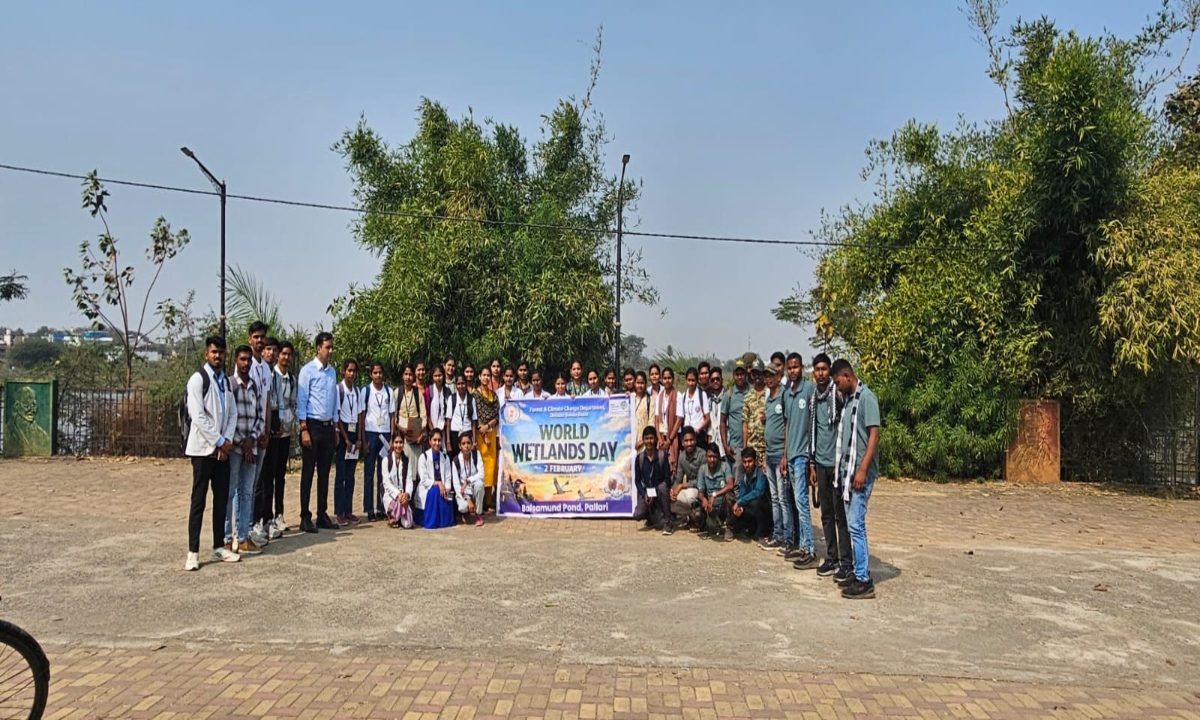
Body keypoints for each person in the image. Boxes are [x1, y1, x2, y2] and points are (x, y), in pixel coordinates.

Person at [184, 336, 240, 570]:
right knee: (198, 501)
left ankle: (219, 546)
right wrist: (218, 441)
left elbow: (232, 413)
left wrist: (226, 441)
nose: (218, 356)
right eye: (214, 352)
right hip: (202, 450)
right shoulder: (198, 380)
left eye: (221, 353)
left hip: (222, 450)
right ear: (207, 354)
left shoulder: (226, 382)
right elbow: (197, 416)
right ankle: (193, 552)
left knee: (221, 499)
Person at [832, 359, 881, 600]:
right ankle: (858, 572)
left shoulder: (867, 398)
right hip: (848, 474)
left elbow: (874, 435)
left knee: (856, 525)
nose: (837, 386)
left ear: (847, 375)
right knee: (853, 525)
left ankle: (864, 580)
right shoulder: (849, 400)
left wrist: (862, 469)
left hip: (861, 474)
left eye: (837, 381)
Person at [807, 353, 851, 581]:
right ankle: (831, 557)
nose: (821, 373)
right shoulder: (815, 399)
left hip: (836, 466)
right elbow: (812, 433)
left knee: (840, 516)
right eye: (817, 369)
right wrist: (812, 465)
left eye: (824, 369)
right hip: (820, 465)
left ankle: (846, 561)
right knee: (825, 514)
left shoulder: (838, 395)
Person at [297, 331, 339, 534]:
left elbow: (334, 400)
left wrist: (336, 427)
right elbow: (302, 401)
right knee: (308, 473)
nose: (330, 351)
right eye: (327, 347)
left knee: (324, 473)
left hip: (328, 426)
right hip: (312, 426)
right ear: (318, 348)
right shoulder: (307, 371)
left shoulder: (332, 372)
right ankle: (305, 516)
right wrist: (303, 428)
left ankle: (322, 513)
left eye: (332, 347)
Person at [226, 345, 265, 555]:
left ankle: (242, 537)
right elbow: (228, 417)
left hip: (252, 445)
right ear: (235, 360)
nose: (246, 363)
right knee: (231, 491)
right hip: (236, 447)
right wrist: (243, 442)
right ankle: (226, 537)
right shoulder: (231, 385)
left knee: (247, 492)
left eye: (249, 360)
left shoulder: (254, 386)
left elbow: (260, 417)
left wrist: (252, 440)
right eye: (242, 359)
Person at [782, 352, 818, 567]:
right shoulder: (787, 393)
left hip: (804, 455)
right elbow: (787, 425)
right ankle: (803, 545)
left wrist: (810, 458)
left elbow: (813, 423)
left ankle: (810, 549)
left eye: (796, 367)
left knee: (803, 503)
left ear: (802, 368)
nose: (793, 371)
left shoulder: (809, 390)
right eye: (790, 368)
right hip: (792, 453)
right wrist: (785, 453)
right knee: (797, 501)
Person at [247, 322, 274, 549]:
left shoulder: (266, 368)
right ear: (249, 339)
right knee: (245, 484)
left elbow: (266, 401)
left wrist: (266, 430)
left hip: (261, 434)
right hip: (247, 434)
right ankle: (244, 527)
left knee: (257, 481)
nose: (259, 340)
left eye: (262, 337)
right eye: (256, 337)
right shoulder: (245, 366)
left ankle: (253, 524)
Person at [254, 337, 284, 541]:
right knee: (259, 478)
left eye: (274, 350)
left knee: (272, 476)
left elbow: (279, 402)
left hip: (273, 422)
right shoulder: (258, 371)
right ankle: (255, 521)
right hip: (260, 424)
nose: (271, 353)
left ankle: (268, 518)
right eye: (268, 349)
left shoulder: (277, 376)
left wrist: (279, 422)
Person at [359, 361, 395, 522]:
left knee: (384, 473)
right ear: (370, 374)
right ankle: (369, 509)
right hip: (371, 433)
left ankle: (382, 506)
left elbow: (392, 415)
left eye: (380, 372)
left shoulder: (389, 392)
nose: (378, 375)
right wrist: (363, 439)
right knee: (369, 473)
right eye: (375, 373)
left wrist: (392, 437)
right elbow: (362, 415)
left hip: (385, 434)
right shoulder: (366, 391)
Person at [761, 360, 790, 553]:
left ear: (779, 376)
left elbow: (787, 426)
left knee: (782, 498)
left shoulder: (783, 397)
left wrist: (785, 455)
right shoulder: (768, 399)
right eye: (767, 376)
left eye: (772, 375)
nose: (769, 379)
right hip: (769, 453)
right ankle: (778, 535)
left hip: (780, 453)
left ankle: (788, 538)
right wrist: (764, 455)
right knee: (774, 497)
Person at [267, 341, 297, 533]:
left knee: (281, 475)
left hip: (285, 431)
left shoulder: (292, 379)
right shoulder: (271, 376)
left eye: (289, 354)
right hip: (273, 432)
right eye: (283, 353)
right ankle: (267, 516)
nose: (286, 357)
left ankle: (279, 513)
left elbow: (292, 403)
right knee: (268, 476)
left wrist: (290, 422)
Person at [333, 358, 362, 526]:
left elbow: (359, 416)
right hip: (343, 435)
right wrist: (344, 438)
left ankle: (349, 510)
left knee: (351, 476)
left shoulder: (357, 392)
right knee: (341, 476)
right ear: (344, 371)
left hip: (353, 435)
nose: (351, 374)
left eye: (354, 371)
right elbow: (337, 416)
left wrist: (358, 438)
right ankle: (339, 512)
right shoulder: (339, 390)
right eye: (349, 370)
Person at [395, 364, 428, 502]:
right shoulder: (397, 392)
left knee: (417, 469)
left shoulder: (417, 393)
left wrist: (421, 434)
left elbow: (424, 416)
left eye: (410, 375)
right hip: (402, 434)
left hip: (416, 430)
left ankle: (416, 501)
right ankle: (403, 499)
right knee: (404, 467)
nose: (408, 377)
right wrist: (399, 428)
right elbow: (393, 416)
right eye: (406, 374)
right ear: (402, 376)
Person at [634, 426, 674, 535]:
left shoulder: (662, 456)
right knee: (637, 514)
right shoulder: (640, 459)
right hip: (647, 492)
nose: (649, 441)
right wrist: (644, 494)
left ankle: (668, 521)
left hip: (659, 493)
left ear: (656, 439)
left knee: (662, 487)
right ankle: (651, 516)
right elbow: (637, 481)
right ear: (643, 440)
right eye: (646, 439)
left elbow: (667, 480)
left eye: (651, 438)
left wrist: (655, 492)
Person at [415, 429, 455, 529]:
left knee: (447, 494)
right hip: (428, 489)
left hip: (443, 488)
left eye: (439, 440)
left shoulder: (445, 457)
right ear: (429, 441)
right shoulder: (423, 457)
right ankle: (432, 521)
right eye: (434, 440)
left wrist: (447, 488)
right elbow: (424, 480)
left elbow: (448, 476)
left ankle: (443, 521)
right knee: (435, 491)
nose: (437, 443)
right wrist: (437, 483)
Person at [474, 367, 501, 512]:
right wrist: (483, 432)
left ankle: (489, 502)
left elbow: (497, 415)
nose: (486, 378)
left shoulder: (494, 396)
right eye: (483, 375)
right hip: (479, 435)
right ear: (479, 377)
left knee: (491, 468)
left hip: (491, 433)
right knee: (481, 466)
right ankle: (480, 501)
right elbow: (476, 415)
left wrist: (489, 427)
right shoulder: (475, 395)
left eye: (488, 375)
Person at [729, 448, 771, 539]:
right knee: (737, 506)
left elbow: (758, 492)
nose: (747, 465)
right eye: (744, 462)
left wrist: (740, 501)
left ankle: (763, 531)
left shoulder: (761, 474)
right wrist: (740, 507)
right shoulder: (743, 477)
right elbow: (742, 495)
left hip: (765, 509)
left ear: (755, 461)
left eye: (750, 461)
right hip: (752, 509)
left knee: (755, 502)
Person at [695, 444, 734, 540]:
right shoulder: (703, 469)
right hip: (710, 507)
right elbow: (700, 491)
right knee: (696, 509)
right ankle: (707, 526)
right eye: (710, 457)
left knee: (730, 496)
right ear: (706, 457)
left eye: (715, 457)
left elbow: (730, 485)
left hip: (723, 505)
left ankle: (729, 528)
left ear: (719, 457)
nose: (712, 460)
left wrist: (715, 495)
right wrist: (704, 499)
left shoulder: (724, 466)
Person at [722, 360, 751, 482]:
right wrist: (725, 445)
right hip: (736, 446)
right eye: (737, 374)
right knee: (739, 480)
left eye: (742, 374)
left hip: (753, 444)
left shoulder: (753, 392)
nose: (739, 377)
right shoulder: (729, 395)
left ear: (746, 374)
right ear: (733, 375)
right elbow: (722, 422)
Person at [669, 427, 704, 529]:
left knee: (689, 496)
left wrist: (682, 486)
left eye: (691, 440)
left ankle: (699, 515)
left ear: (695, 440)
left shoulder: (702, 455)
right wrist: (672, 491)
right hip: (689, 489)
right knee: (670, 502)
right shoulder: (682, 456)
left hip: (701, 490)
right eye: (686, 441)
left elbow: (701, 482)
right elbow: (678, 479)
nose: (689, 443)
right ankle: (692, 515)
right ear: (682, 442)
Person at [453, 434, 486, 526]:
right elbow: (456, 486)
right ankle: (465, 512)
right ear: (459, 446)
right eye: (463, 443)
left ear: (472, 444)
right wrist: (468, 499)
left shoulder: (476, 455)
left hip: (474, 487)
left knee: (480, 484)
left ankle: (479, 514)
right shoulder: (455, 461)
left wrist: (468, 481)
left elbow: (482, 474)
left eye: (468, 443)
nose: (466, 446)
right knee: (463, 507)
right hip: (463, 491)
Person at [381, 434, 413, 528]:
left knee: (408, 524)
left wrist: (406, 495)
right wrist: (398, 494)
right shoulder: (386, 460)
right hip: (391, 496)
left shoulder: (406, 460)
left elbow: (409, 480)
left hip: (403, 497)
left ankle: (398, 516)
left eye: (400, 442)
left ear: (403, 444)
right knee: (397, 504)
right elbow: (386, 483)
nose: (398, 445)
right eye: (396, 442)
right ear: (392, 444)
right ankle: (392, 516)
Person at [656, 367, 681, 472]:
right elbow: (657, 419)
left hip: (673, 437)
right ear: (661, 379)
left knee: (671, 470)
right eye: (665, 378)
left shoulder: (678, 396)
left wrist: (669, 440)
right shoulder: (659, 396)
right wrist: (660, 439)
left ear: (673, 379)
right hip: (662, 438)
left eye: (669, 378)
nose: (667, 380)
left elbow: (679, 419)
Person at [680, 368, 710, 449]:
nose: (691, 383)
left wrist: (699, 429)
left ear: (697, 380)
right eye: (689, 380)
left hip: (698, 435)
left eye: (693, 380)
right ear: (686, 380)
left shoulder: (702, 395)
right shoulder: (683, 396)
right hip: (686, 435)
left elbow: (707, 418)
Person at [448, 374, 477, 457]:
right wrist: (448, 442)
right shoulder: (452, 398)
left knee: (467, 456)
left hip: (467, 432)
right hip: (455, 433)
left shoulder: (471, 399)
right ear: (456, 385)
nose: (461, 386)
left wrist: (474, 441)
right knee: (456, 458)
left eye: (463, 383)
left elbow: (473, 422)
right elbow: (448, 421)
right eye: (459, 384)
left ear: (466, 384)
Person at [425, 364, 453, 444]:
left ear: (443, 376)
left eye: (440, 375)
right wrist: (433, 430)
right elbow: (427, 413)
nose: (438, 378)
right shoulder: (428, 391)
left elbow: (450, 413)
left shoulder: (447, 391)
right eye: (435, 376)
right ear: (432, 377)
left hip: (445, 429)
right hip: (431, 430)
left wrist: (444, 424)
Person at [707, 367, 727, 460]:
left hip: (726, 442)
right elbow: (710, 425)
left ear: (722, 380)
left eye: (717, 379)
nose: (715, 381)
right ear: (710, 382)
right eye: (713, 380)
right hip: (714, 444)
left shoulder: (728, 397)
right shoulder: (709, 401)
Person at [632, 371, 653, 449]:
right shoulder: (631, 399)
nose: (640, 385)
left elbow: (651, 422)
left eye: (642, 383)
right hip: (630, 441)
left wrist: (643, 440)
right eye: (638, 383)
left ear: (646, 384)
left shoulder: (650, 400)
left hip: (645, 443)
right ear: (634, 383)